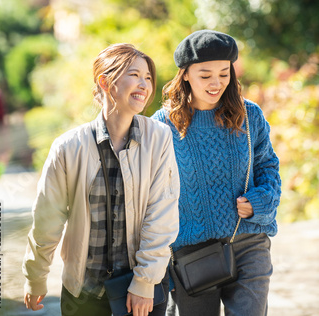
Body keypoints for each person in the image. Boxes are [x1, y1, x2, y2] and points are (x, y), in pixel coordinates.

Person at [23, 43, 180, 316]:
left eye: (148, 77)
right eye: (134, 75)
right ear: (105, 82)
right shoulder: (69, 147)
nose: (144, 84)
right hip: (84, 293)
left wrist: (144, 282)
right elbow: (48, 217)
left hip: (140, 290)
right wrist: (36, 275)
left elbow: (162, 213)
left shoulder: (159, 137)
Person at [152, 30, 281, 316]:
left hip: (248, 242)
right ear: (185, 74)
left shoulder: (250, 115)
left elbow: (267, 165)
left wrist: (259, 203)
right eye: (205, 75)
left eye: (224, 74)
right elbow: (149, 192)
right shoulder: (162, 126)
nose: (216, 83)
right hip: (191, 251)